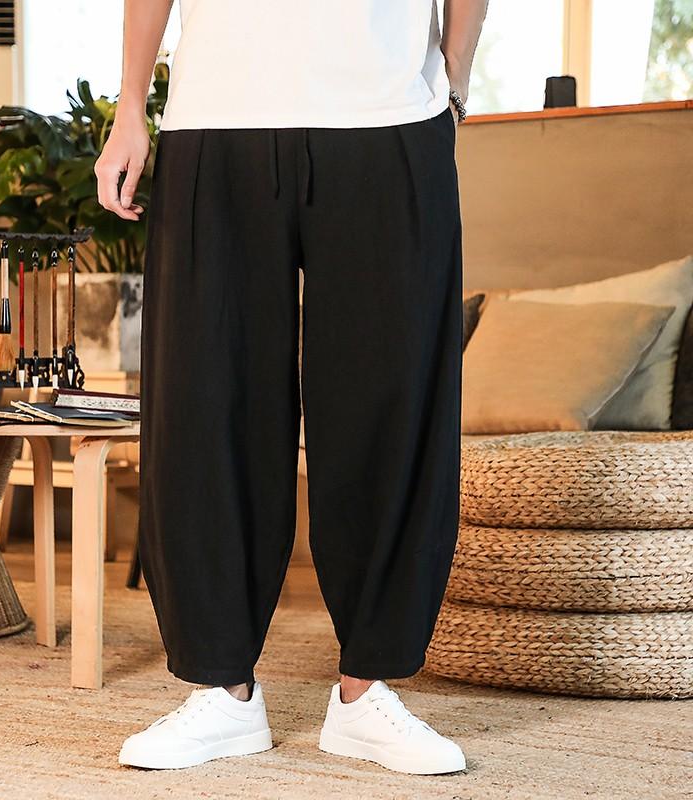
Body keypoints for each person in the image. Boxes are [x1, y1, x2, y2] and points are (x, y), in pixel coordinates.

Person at [95, 0, 488, 776]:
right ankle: (222, 689)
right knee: (206, 404)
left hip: (389, 114)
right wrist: (130, 106)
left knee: (391, 403)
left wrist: (453, 79)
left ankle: (367, 690)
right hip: (216, 115)